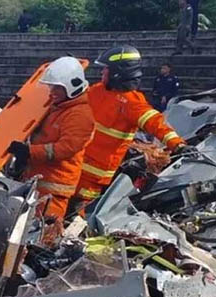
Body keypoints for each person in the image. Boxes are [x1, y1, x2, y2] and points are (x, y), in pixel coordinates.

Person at [73, 46, 190, 210]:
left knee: (77, 213)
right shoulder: (97, 90)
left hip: (94, 174)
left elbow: (156, 122)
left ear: (116, 73)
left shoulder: (132, 102)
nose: (102, 73)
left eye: (106, 69)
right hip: (75, 162)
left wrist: (177, 144)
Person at [7, 56, 94, 220]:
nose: (52, 92)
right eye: (52, 87)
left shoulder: (80, 114)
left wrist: (29, 152)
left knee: (44, 235)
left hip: (55, 191)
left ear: (72, 87)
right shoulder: (59, 107)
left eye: (57, 88)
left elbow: (66, 148)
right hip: (39, 184)